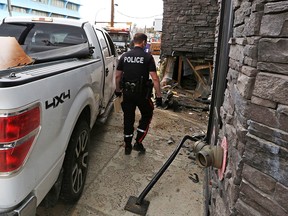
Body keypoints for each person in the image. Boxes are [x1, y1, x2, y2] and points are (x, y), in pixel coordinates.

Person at [115, 32, 162, 155]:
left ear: (133, 42)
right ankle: (138, 142)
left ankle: (127, 146)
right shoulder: (147, 57)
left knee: (128, 118)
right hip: (142, 94)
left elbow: (117, 76)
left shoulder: (124, 56)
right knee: (147, 114)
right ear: (144, 42)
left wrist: (118, 90)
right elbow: (155, 78)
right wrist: (159, 96)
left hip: (127, 94)